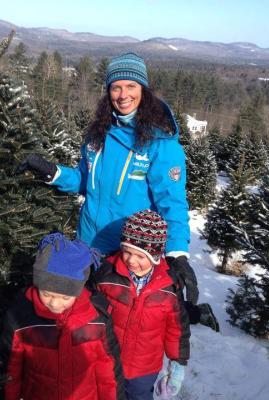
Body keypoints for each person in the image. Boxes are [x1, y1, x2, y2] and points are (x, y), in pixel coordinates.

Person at [18, 52, 219, 332]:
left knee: (134, 320)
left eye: (131, 86)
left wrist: (177, 253)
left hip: (127, 252)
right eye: (116, 87)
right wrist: (53, 172)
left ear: (144, 90)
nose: (123, 94)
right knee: (91, 316)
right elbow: (84, 181)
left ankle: (196, 313)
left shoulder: (160, 142)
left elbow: (171, 203)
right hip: (89, 244)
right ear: (108, 91)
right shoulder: (98, 134)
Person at [2, 232, 126, 400]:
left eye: (65, 297)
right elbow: (12, 369)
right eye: (46, 294)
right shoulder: (22, 318)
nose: (54, 303)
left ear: (78, 292)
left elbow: (108, 368)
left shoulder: (96, 318)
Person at [93, 210, 190, 400]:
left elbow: (176, 328)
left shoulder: (168, 287)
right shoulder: (107, 277)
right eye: (127, 252)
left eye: (140, 256)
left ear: (154, 256)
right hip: (107, 361)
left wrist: (178, 362)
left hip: (143, 369)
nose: (130, 260)